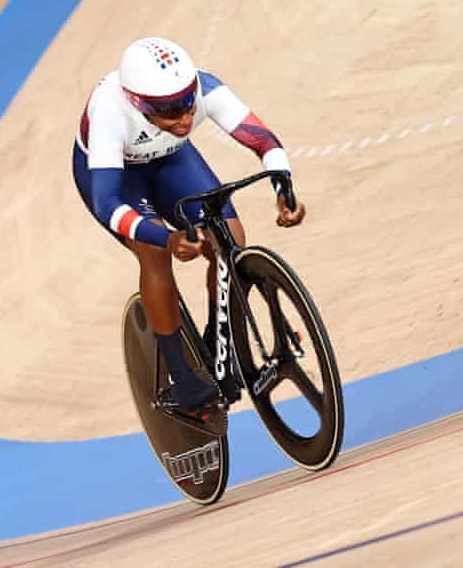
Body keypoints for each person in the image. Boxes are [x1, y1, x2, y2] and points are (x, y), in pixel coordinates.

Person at [73, 37, 306, 415]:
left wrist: (284, 188)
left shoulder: (205, 88)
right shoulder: (109, 115)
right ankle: (182, 379)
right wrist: (166, 236)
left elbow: (264, 141)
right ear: (138, 103)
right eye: (169, 111)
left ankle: (219, 342)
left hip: (170, 160)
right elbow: (108, 205)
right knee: (153, 252)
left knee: (231, 237)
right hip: (116, 177)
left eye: (187, 103)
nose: (184, 117)